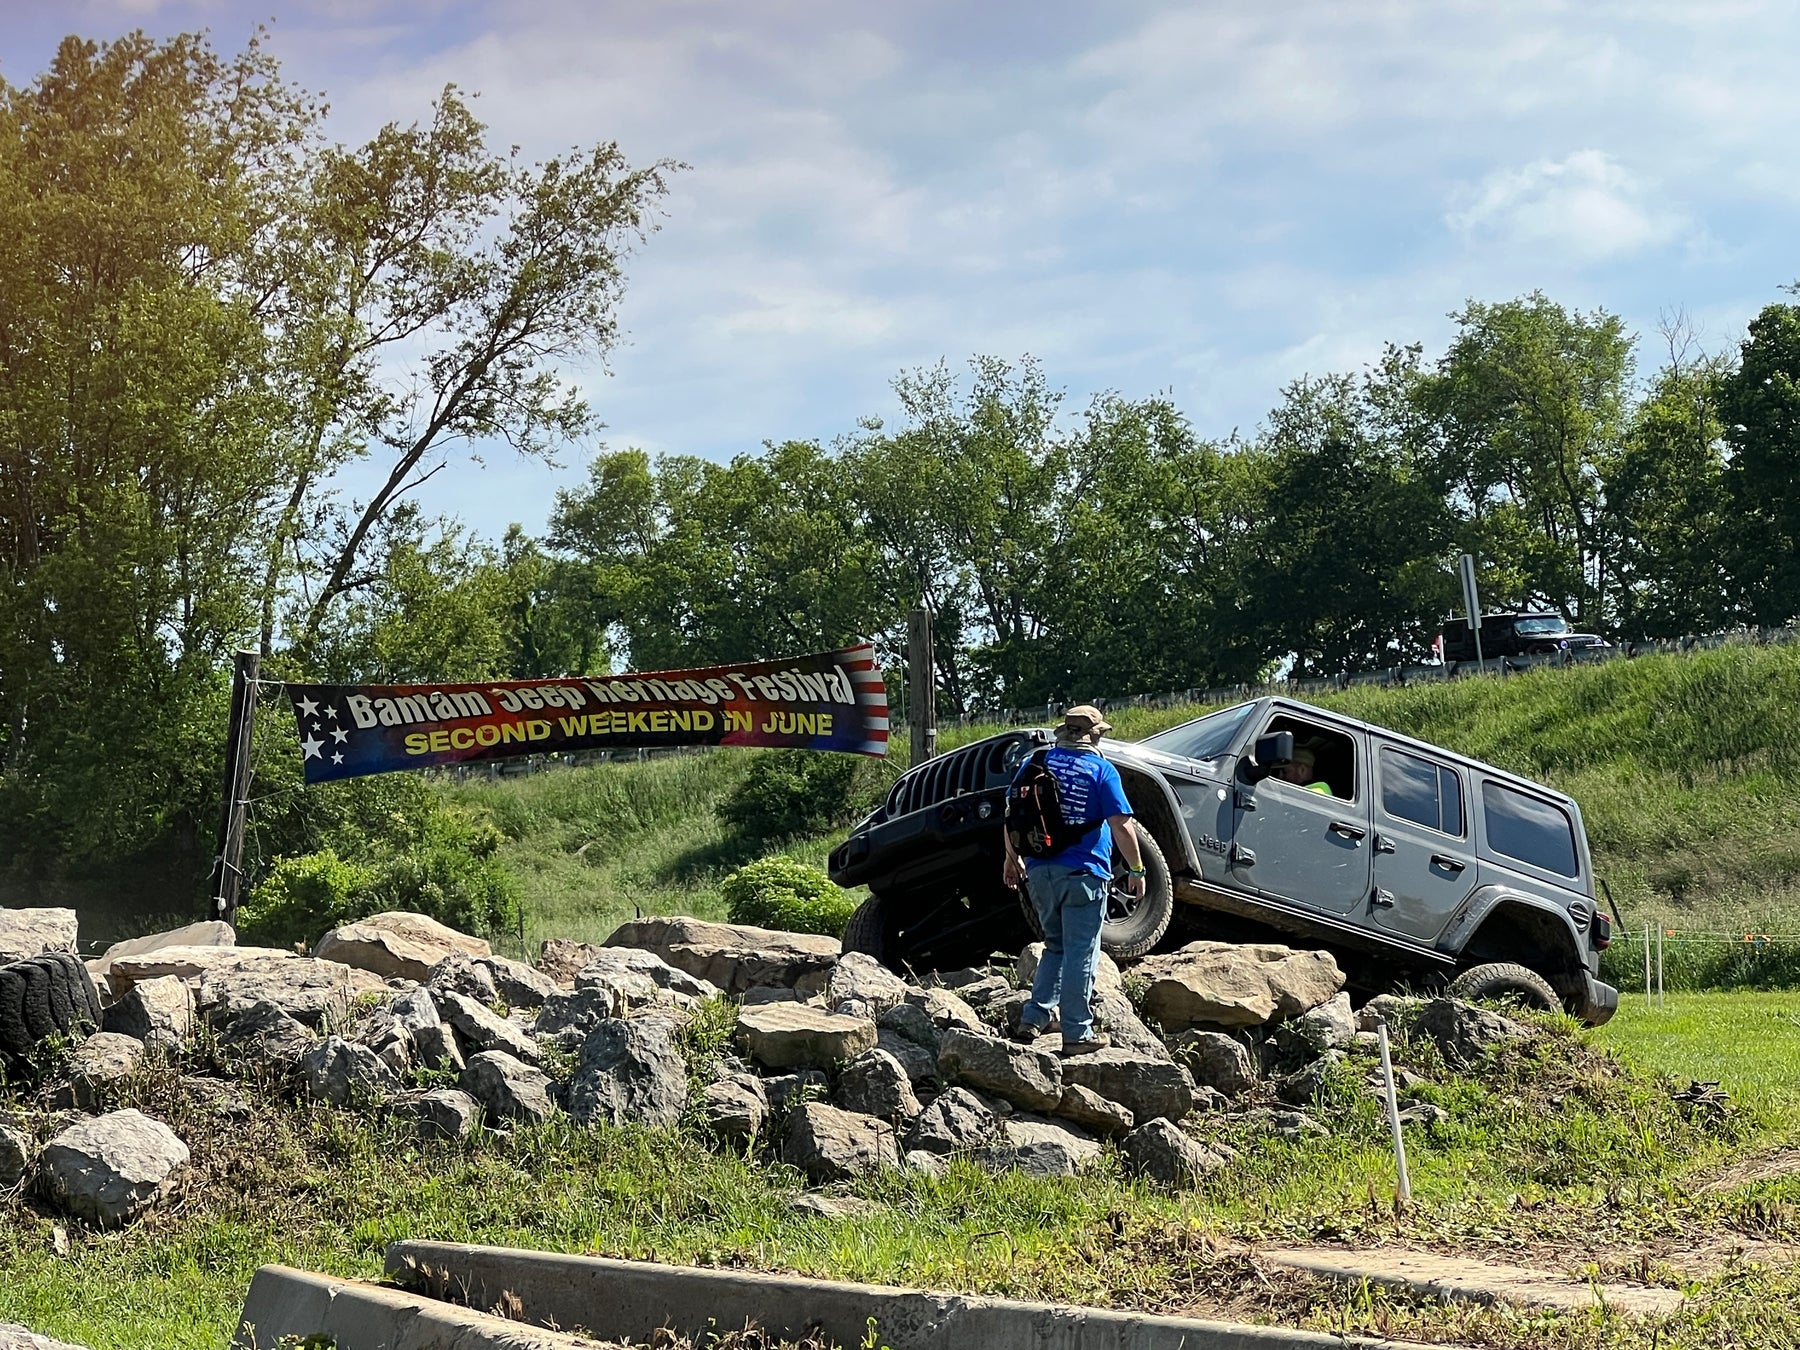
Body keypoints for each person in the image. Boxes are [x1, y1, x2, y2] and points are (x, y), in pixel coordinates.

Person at [1001, 704, 1145, 1055]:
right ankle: (1077, 1032)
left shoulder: (1033, 763)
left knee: (1056, 944)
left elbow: (1012, 814)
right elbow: (1121, 826)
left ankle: (1033, 1019)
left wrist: (1011, 858)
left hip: (1038, 872)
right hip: (1084, 871)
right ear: (1095, 735)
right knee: (1082, 951)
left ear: (1064, 732)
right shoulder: (1101, 769)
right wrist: (1138, 870)